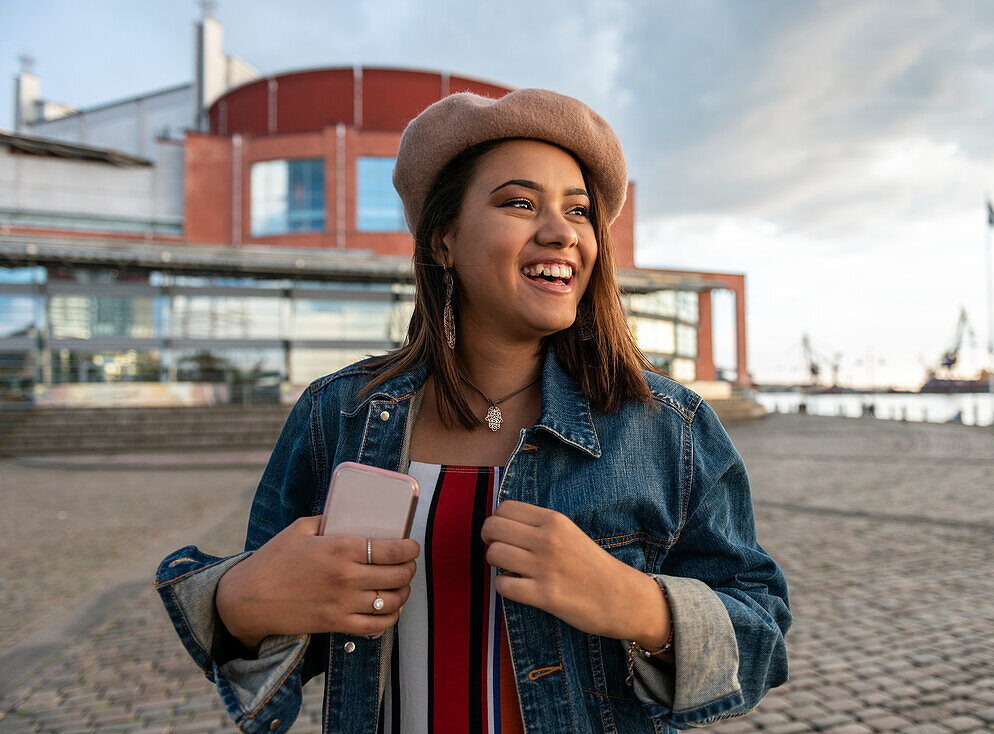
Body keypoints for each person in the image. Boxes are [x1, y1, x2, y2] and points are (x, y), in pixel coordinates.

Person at [155, 89, 791, 733]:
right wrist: (239, 605)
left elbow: (762, 638)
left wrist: (639, 606)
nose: (562, 231)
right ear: (444, 241)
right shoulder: (338, 415)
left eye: (578, 210)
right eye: (519, 203)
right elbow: (269, 632)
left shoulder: (667, 426)